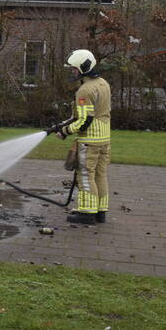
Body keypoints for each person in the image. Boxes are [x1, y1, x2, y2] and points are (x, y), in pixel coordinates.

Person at [54, 49, 112, 225]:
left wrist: (64, 132)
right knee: (100, 175)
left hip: (90, 140)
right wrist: (64, 124)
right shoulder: (103, 83)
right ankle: (100, 212)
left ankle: (87, 213)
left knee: (85, 176)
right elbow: (84, 115)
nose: (72, 71)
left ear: (83, 67)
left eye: (74, 68)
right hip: (104, 139)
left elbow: (85, 120)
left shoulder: (84, 90)